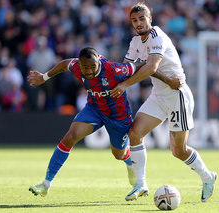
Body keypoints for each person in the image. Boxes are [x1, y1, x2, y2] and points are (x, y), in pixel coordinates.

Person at [110, 2, 217, 202]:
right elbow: (127, 69)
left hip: (177, 95)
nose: (139, 23)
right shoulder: (135, 42)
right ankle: (140, 184)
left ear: (150, 19)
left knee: (179, 151)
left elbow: (150, 67)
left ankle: (208, 177)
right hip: (159, 95)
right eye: (134, 20)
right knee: (134, 133)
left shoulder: (157, 35)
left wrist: (125, 86)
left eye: (142, 18)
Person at [27, 47, 149, 197]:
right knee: (70, 136)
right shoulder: (76, 66)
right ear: (80, 64)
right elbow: (65, 64)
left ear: (98, 61)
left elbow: (137, 66)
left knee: (118, 154)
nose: (89, 71)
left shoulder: (114, 70)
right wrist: (45, 77)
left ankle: (128, 160)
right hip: (94, 109)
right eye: (85, 68)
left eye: (93, 67)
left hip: (118, 115)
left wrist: (150, 63)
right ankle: (46, 184)